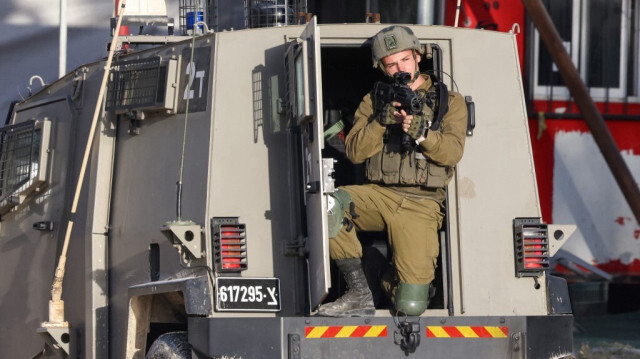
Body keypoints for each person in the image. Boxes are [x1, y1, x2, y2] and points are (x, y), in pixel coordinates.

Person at [318, 25, 468, 317]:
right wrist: (380, 122)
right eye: (391, 64)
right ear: (383, 69)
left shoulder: (449, 103)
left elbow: (452, 152)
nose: (400, 68)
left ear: (417, 57)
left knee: (410, 305)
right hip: (380, 195)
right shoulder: (373, 101)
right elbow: (354, 153)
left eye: (404, 60)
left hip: (421, 203)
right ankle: (358, 293)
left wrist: (422, 134)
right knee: (328, 203)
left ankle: (376, 268)